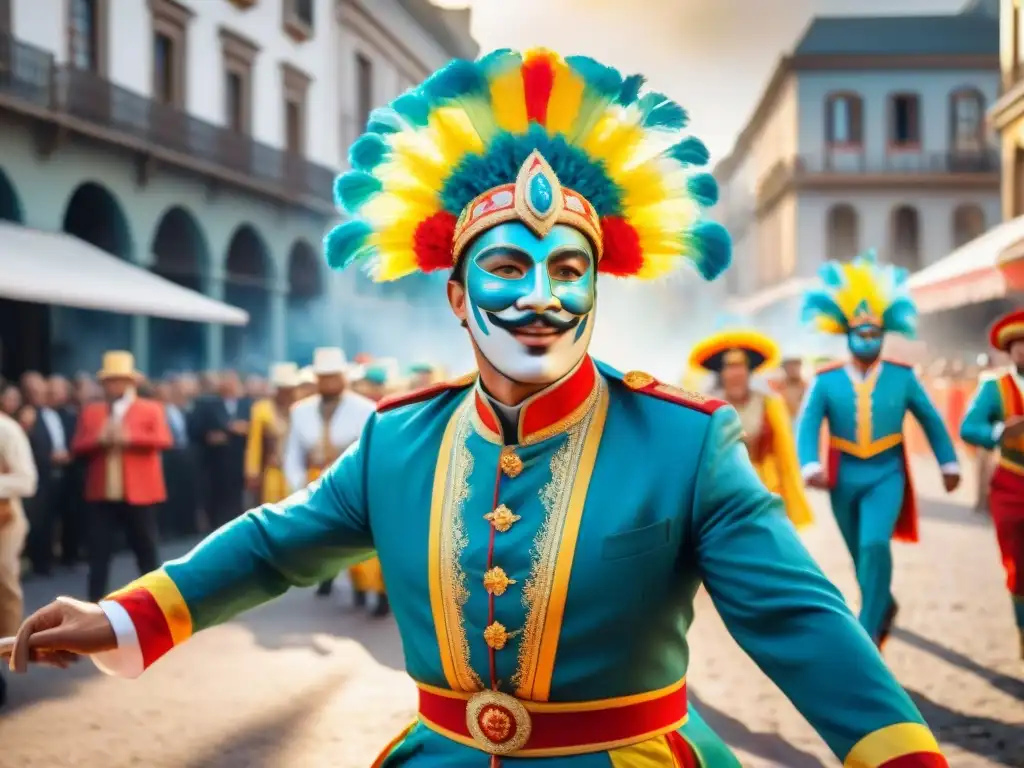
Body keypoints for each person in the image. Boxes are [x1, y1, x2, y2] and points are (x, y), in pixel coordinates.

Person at [7, 50, 949, 767]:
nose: (540, 292)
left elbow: (800, 620)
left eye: (568, 268)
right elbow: (271, 543)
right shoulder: (397, 438)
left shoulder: (686, 441)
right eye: (506, 265)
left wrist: (905, 757)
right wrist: (126, 618)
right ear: (457, 295)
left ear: (595, 290)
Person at [796, 250, 960, 649]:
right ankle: (883, 603)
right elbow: (806, 426)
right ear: (846, 334)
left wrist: (949, 462)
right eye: (860, 333)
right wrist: (810, 464)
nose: (868, 340)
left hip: (887, 474)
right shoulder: (825, 380)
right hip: (842, 477)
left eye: (875, 334)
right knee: (859, 555)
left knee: (874, 544)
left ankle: (866, 634)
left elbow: (931, 419)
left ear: (885, 335)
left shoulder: (903, 377)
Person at [70, 351, 172, 603]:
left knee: (146, 550)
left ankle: (157, 603)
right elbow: (77, 445)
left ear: (131, 383)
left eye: (120, 380)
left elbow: (164, 439)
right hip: (102, 493)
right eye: (110, 380)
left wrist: (130, 438)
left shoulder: (150, 408)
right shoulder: (92, 412)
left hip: (139, 492)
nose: (114, 385)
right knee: (99, 555)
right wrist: (98, 440)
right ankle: (93, 606)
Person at [283, 348, 381, 610]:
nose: (327, 382)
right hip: (315, 479)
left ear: (343, 377)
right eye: (322, 377)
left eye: (332, 377)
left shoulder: (365, 409)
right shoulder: (299, 411)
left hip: (352, 479)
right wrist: (298, 483)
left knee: (361, 539)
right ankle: (326, 578)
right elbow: (292, 453)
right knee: (322, 536)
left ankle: (371, 592)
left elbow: (370, 450)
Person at [689, 330, 812, 529]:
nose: (736, 373)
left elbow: (786, 457)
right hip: (723, 496)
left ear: (749, 371)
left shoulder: (770, 403)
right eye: (730, 367)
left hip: (767, 490)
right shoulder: (707, 407)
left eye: (741, 366)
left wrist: (792, 506)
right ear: (721, 373)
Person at [959, 309, 1024, 659]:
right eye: (1020, 345)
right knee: (1018, 567)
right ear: (1009, 350)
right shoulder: (995, 387)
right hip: (1012, 484)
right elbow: (968, 427)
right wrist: (999, 432)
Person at [0, 399, 37, 708]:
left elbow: (26, 481)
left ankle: (6, 653)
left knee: (2, 584)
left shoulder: (6, 430)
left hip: (4, 522)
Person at [189, 371, 251, 530]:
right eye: (226, 382)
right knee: (214, 500)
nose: (230, 386)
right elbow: (194, 429)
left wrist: (246, 429)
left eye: (233, 382)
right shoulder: (207, 404)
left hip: (241, 460)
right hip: (214, 463)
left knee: (237, 500)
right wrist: (208, 436)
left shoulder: (248, 404)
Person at [245, 363, 299, 506]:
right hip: (273, 469)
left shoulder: (301, 407)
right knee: (273, 507)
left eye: (290, 389)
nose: (287, 393)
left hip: (298, 470)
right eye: (283, 389)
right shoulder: (261, 409)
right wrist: (252, 471)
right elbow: (254, 443)